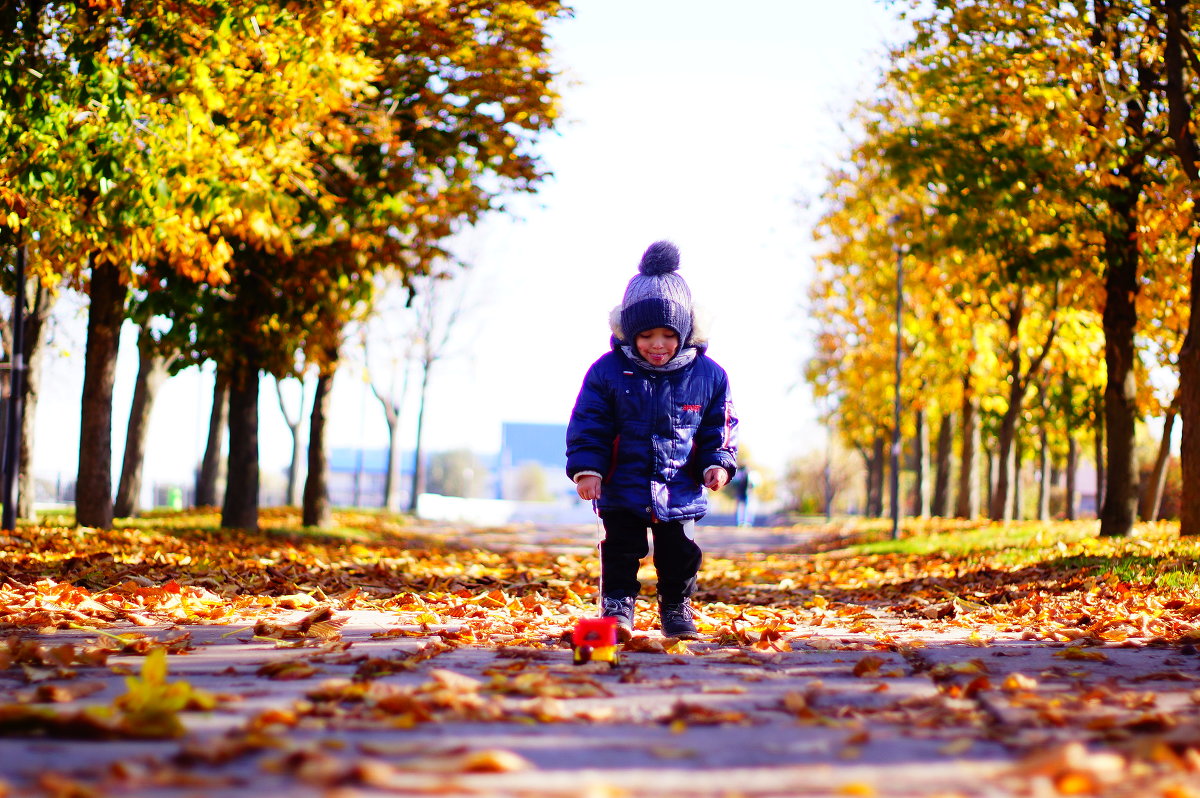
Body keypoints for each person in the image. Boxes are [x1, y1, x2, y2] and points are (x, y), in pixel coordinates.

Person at [566, 240, 738, 641]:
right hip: (622, 484)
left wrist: (717, 462)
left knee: (679, 555)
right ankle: (617, 608)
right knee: (621, 550)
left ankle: (676, 608)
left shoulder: (709, 375)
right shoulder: (607, 372)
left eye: (667, 334)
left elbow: (720, 425)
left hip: (679, 487)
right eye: (646, 335)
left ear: (684, 330)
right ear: (629, 333)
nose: (656, 345)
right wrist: (587, 470)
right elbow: (590, 422)